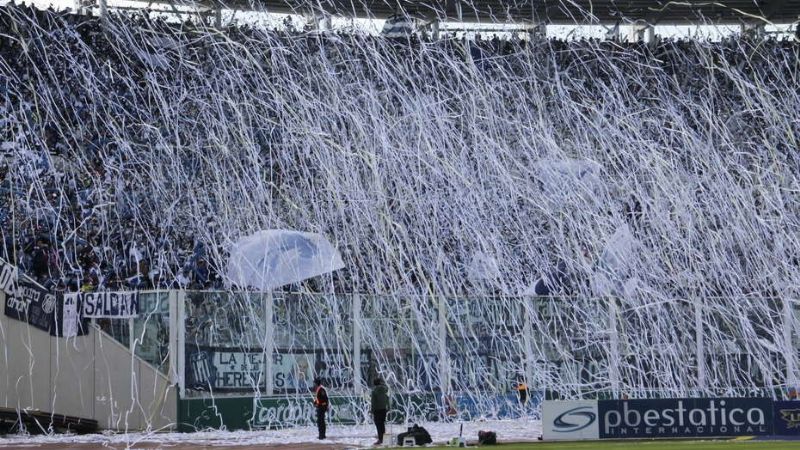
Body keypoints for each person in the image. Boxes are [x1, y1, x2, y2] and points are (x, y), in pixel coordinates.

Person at [370, 377, 390, 445]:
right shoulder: (385, 390)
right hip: (384, 409)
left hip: (377, 410)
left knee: (378, 425)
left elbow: (373, 402)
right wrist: (388, 407)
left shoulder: (374, 391)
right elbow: (387, 399)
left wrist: (372, 410)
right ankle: (383, 438)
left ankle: (380, 439)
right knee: (382, 424)